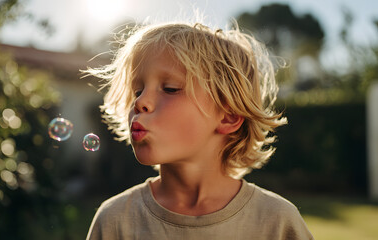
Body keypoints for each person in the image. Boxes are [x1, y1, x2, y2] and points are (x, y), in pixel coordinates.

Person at [84, 21, 314, 240]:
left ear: (228, 117)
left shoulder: (277, 221)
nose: (140, 102)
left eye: (171, 89)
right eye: (137, 91)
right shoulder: (115, 220)